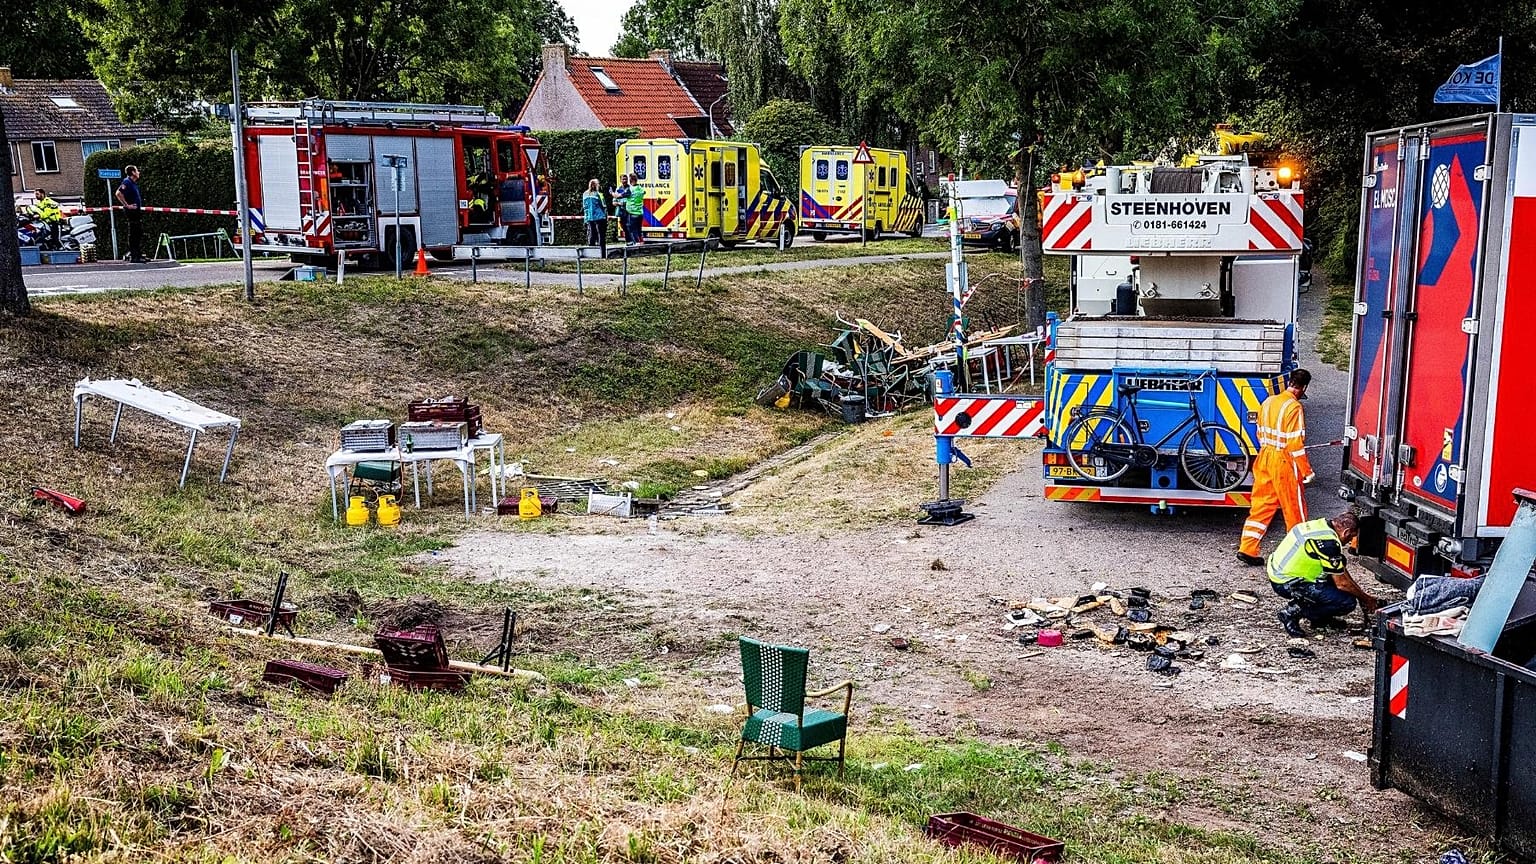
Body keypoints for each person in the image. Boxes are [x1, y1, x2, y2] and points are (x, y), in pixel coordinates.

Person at [1238, 368, 1314, 565]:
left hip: (1264, 457)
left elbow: (1259, 431)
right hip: (1284, 462)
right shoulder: (1294, 408)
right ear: (1303, 387)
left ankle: (1248, 549)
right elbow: (1295, 444)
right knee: (1294, 509)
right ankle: (1299, 556)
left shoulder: (1269, 401)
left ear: (1289, 382)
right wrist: (1307, 471)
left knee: (1261, 506)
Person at [1267, 512, 1380, 637]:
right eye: (1350, 538)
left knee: (1340, 566)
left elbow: (1339, 570)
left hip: (1279, 572)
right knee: (1346, 602)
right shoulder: (1328, 544)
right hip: (1286, 583)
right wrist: (1366, 599)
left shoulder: (1318, 525)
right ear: (1346, 532)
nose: (1348, 542)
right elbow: (1342, 584)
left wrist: (1360, 593)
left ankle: (1320, 620)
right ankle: (1292, 612)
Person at [115, 165, 145, 262]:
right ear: (132, 172)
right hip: (131, 212)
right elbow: (118, 193)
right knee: (134, 233)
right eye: (137, 171)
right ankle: (134, 256)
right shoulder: (127, 182)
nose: (138, 172)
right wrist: (127, 205)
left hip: (136, 211)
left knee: (138, 232)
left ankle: (139, 254)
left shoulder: (133, 183)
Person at [581, 178, 607, 256]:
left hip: (589, 217)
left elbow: (584, 206)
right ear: (597, 185)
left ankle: (591, 254)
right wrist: (606, 216)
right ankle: (603, 254)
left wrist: (586, 217)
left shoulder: (585, 194)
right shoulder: (599, 194)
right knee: (601, 235)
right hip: (599, 216)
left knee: (592, 234)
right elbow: (603, 205)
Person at [611, 174, 634, 243]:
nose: (625, 181)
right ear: (620, 180)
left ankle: (631, 241)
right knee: (624, 226)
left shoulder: (630, 188)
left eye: (626, 179)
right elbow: (614, 202)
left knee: (629, 225)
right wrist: (618, 203)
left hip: (629, 210)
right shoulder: (618, 189)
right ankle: (628, 241)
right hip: (621, 210)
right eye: (623, 179)